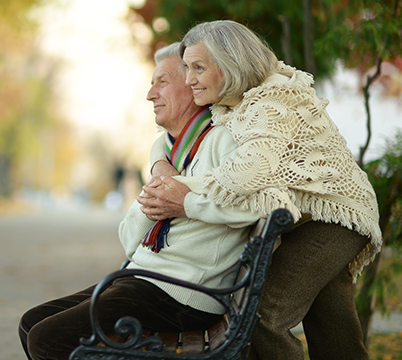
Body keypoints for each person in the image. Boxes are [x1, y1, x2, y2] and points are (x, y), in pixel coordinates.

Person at [141, 20, 382, 360]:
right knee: (333, 326)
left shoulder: (272, 103)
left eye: (198, 67)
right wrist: (160, 165)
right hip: (308, 217)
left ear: (229, 63)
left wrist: (181, 194)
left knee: (264, 317)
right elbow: (171, 136)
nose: (189, 78)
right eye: (186, 68)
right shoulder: (232, 101)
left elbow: (246, 173)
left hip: (334, 217)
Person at [18, 42, 260, 360]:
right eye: (151, 83)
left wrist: (180, 199)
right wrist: (159, 174)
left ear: (190, 86)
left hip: (182, 293)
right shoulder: (172, 150)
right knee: (30, 323)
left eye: (162, 82)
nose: (150, 94)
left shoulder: (221, 141)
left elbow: (247, 205)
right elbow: (129, 240)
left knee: (47, 340)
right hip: (146, 279)